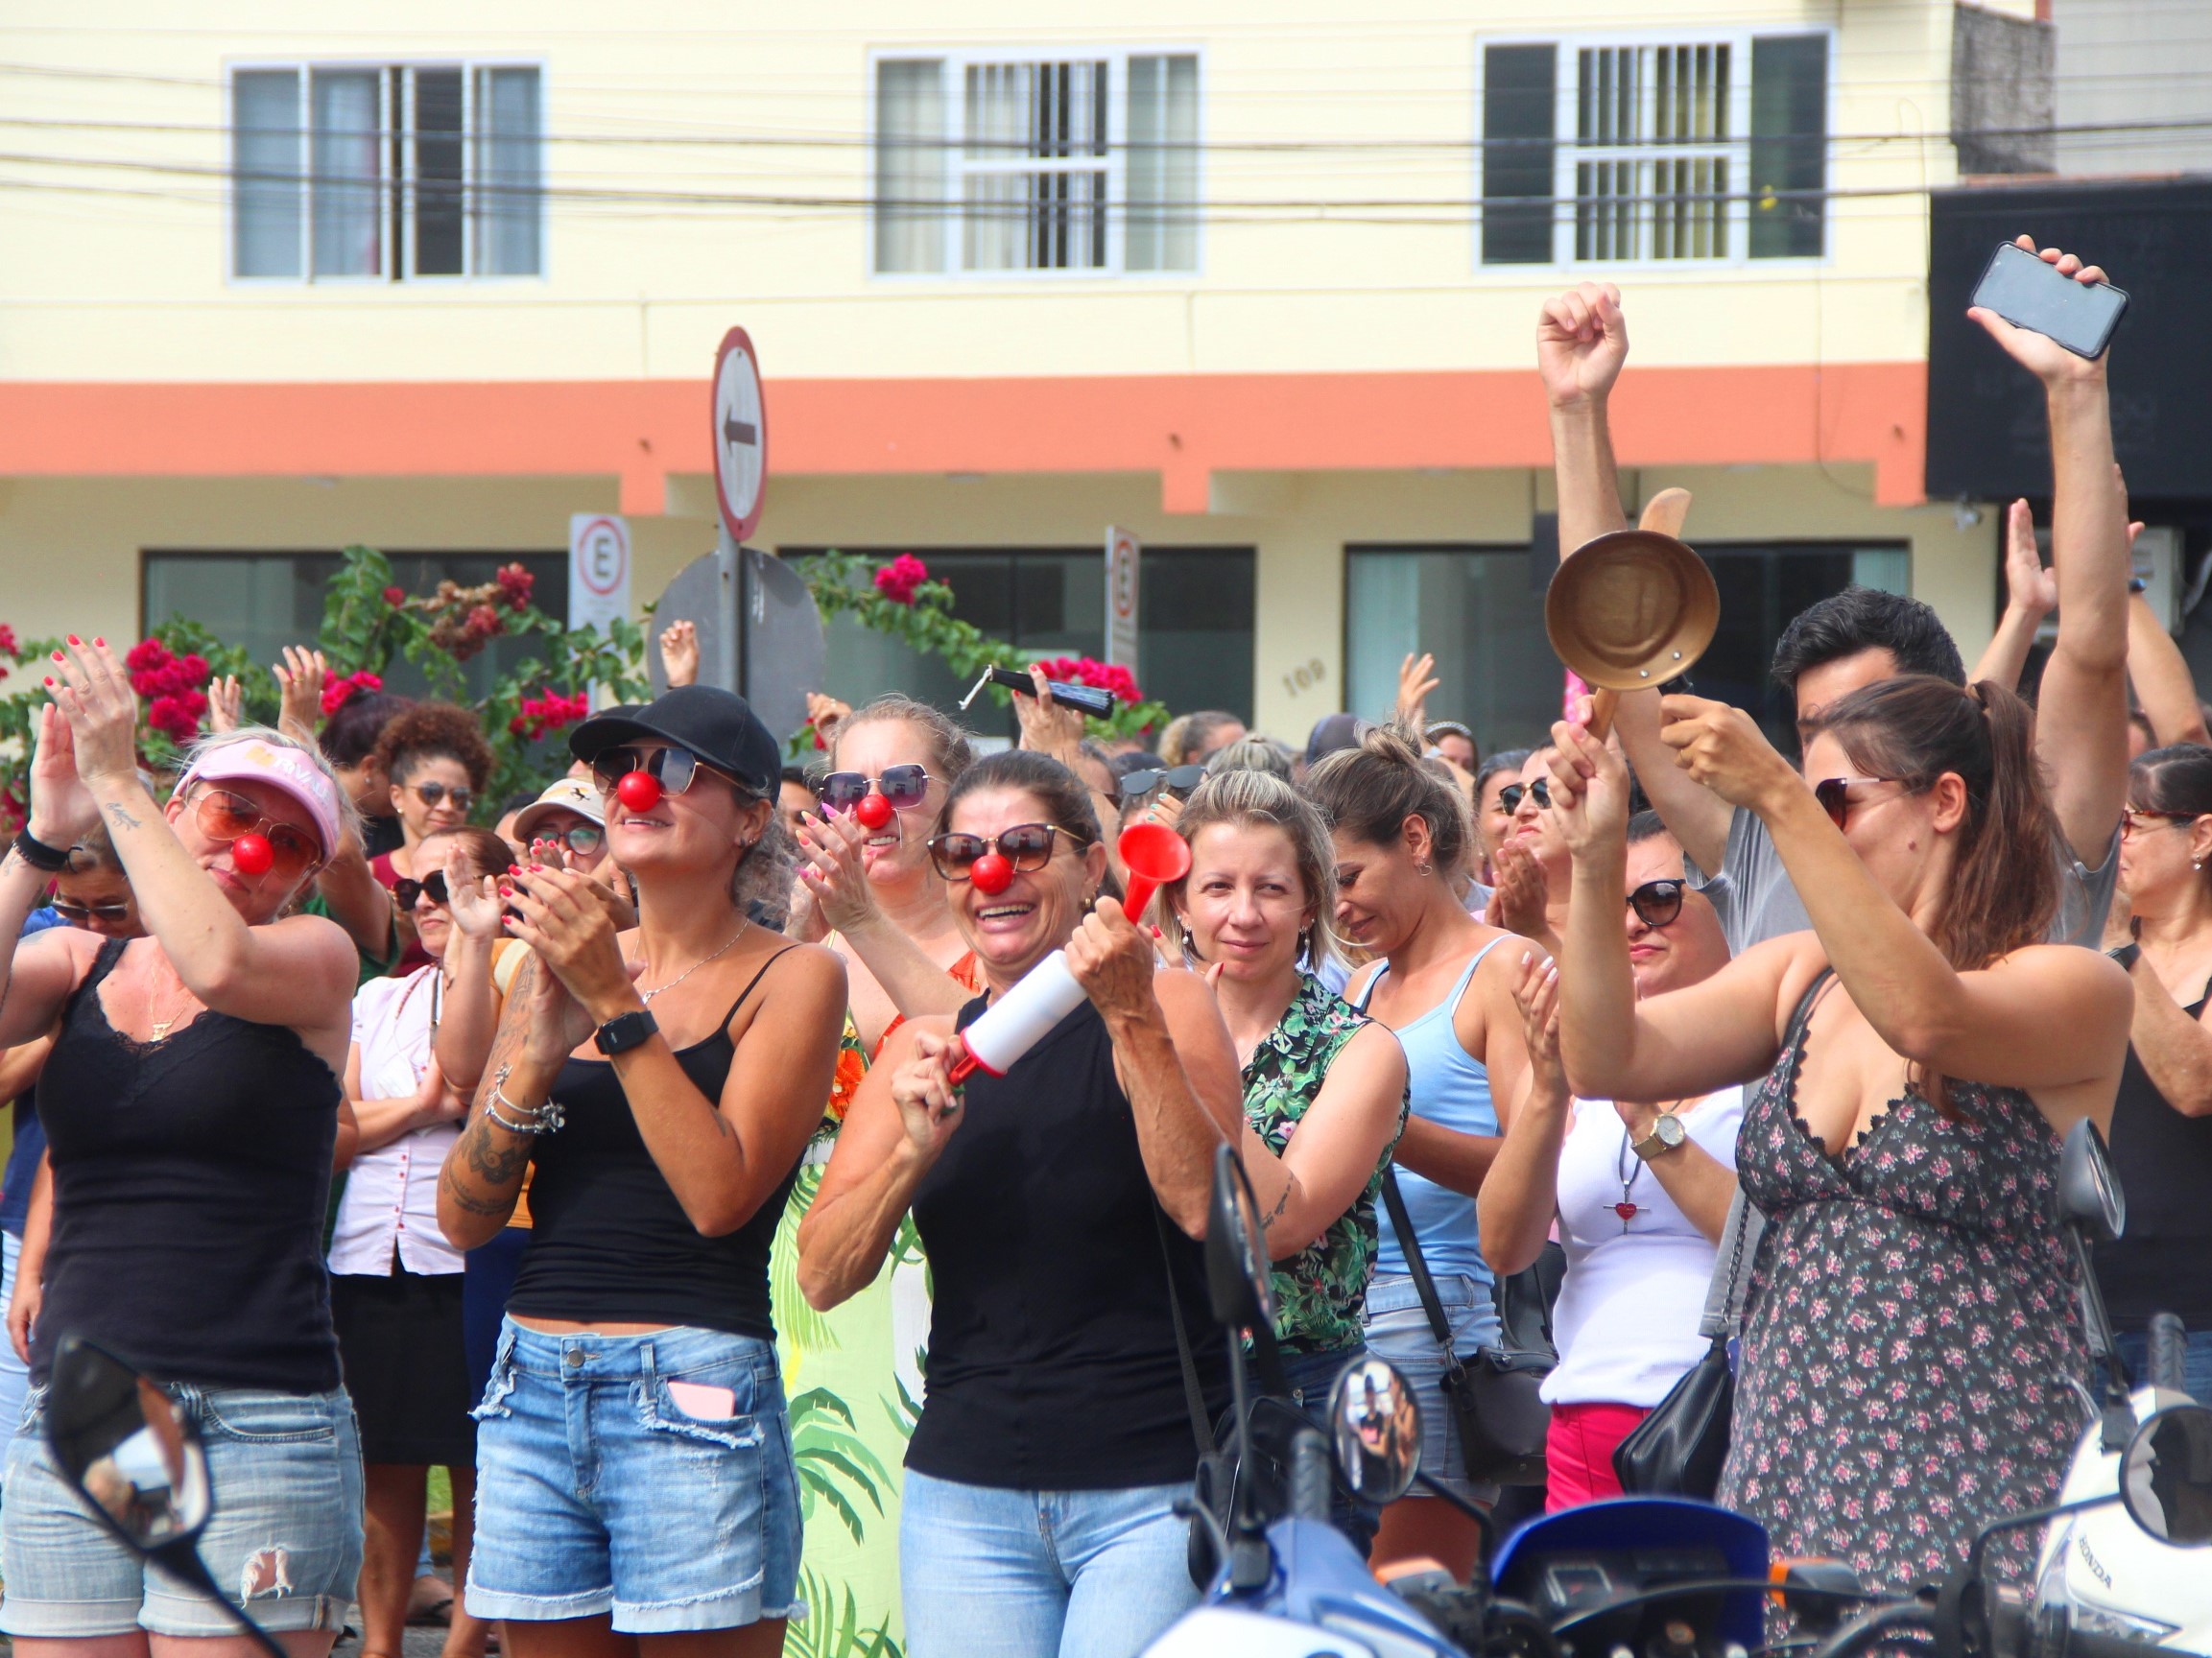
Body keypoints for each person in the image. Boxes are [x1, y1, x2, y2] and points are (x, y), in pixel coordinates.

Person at [1546, 673, 2130, 1594]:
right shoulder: (1799, 974)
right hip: (1784, 1471)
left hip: (1977, 1485)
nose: (1815, 825)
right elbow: (1605, 1060)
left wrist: (1777, 795)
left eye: (1836, 801)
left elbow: (1924, 1018)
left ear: (1943, 803)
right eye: (1807, 798)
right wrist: (1591, 860)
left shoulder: (2075, 984)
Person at [1540, 257, 2129, 958]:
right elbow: (1623, 663)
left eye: (1867, 717)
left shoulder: (2033, 840)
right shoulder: (1762, 840)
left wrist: (2075, 390)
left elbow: (2090, 650)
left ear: (1947, 718)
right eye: (1813, 728)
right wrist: (1575, 410)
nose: (1833, 757)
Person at [797, 750, 1243, 1658]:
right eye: (962, 853)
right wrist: (909, 1161)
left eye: (1025, 846)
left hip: (1150, 1488)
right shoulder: (923, 1048)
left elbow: (1202, 1207)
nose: (990, 874)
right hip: (965, 1495)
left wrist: (1128, 1018)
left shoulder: (1168, 1005)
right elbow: (821, 1275)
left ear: (1089, 865)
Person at [438, 684, 845, 1646]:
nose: (635, 786)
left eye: (673, 768)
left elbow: (719, 1197)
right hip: (530, 1376)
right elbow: (465, 1218)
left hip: (690, 1380)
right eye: (618, 768)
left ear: (752, 815)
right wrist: (541, 1045)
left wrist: (615, 1010)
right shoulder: (563, 961)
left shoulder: (793, 974)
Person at [0, 661, 365, 1646]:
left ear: (304, 879)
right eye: (231, 814)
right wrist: (42, 835)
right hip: (84, 1411)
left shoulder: (316, 959)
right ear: (181, 805)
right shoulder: (82, 961)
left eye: (290, 843)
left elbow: (217, 959)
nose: (253, 850)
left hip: (253, 1417)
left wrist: (118, 791)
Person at [1305, 724, 1534, 1580]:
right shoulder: (1363, 985)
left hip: (1432, 1323)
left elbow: (1529, 1174)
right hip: (1336, 1324)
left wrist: (1379, 1122)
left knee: (1408, 1604)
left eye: (1349, 878)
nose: (1339, 908)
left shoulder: (1506, 969)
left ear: (1415, 840)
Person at [1162, 770, 1409, 1550]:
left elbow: (1282, 1222)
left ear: (1310, 905)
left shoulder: (1360, 1049)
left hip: (1291, 1389)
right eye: (1216, 887)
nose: (1242, 914)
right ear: (1179, 903)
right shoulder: (1139, 1026)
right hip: (1145, 1381)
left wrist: (1187, 1065)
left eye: (1270, 889)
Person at [1478, 813, 1739, 1510]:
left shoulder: (1774, 1061)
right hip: (1581, 1419)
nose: (1630, 925)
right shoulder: (1584, 1062)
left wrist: (1648, 1118)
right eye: (1612, 908)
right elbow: (1504, 1247)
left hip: (1727, 1419)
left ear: (1730, 898)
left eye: (1657, 900)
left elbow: (1766, 1249)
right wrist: (1546, 1090)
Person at [332, 824, 510, 1658]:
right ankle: (378, 1645)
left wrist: (403, 1113)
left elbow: (472, 1082)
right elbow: (334, 1132)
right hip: (369, 1256)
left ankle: (464, 1644)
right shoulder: (376, 998)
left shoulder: (513, 981)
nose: (428, 903)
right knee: (383, 1468)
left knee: (479, 1465)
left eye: (448, 884)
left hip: (466, 1257)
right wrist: (419, 1111)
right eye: (413, 890)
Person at [0, 827, 146, 1473]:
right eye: (72, 909)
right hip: (29, 1226)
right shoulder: (46, 947)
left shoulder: (188, 963)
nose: (91, 925)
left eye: (111, 909)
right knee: (20, 1446)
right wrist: (70, 1022)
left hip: (142, 1243)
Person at [2097, 745, 2212, 1401]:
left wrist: (2119, 946)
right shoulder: (2086, 947)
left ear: (2199, 833)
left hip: (2197, 1320)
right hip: (2086, 1308)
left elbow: (2196, 1086)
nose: (2113, 845)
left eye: (2130, 824)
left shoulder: (2112, 948)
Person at [792, 695, 984, 1065]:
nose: (872, 809)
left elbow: (1000, 1063)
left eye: (902, 785)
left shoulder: (999, 929)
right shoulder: (816, 936)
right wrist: (792, 946)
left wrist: (862, 922)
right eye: (849, 789)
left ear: (958, 794)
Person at [369, 702, 497, 970]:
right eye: (431, 793)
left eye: (460, 797)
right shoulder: (371, 876)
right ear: (397, 795)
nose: (447, 807)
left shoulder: (484, 869)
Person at [1487, 748, 1569, 958]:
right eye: (1514, 796)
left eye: (1544, 793)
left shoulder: (1637, 920)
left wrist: (1534, 932)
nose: (1521, 810)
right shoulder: (1479, 927)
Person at [1472, 749, 1532, 891]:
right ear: (1475, 824)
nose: (1521, 812)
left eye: (1538, 800)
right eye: (1505, 807)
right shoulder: (1461, 902)